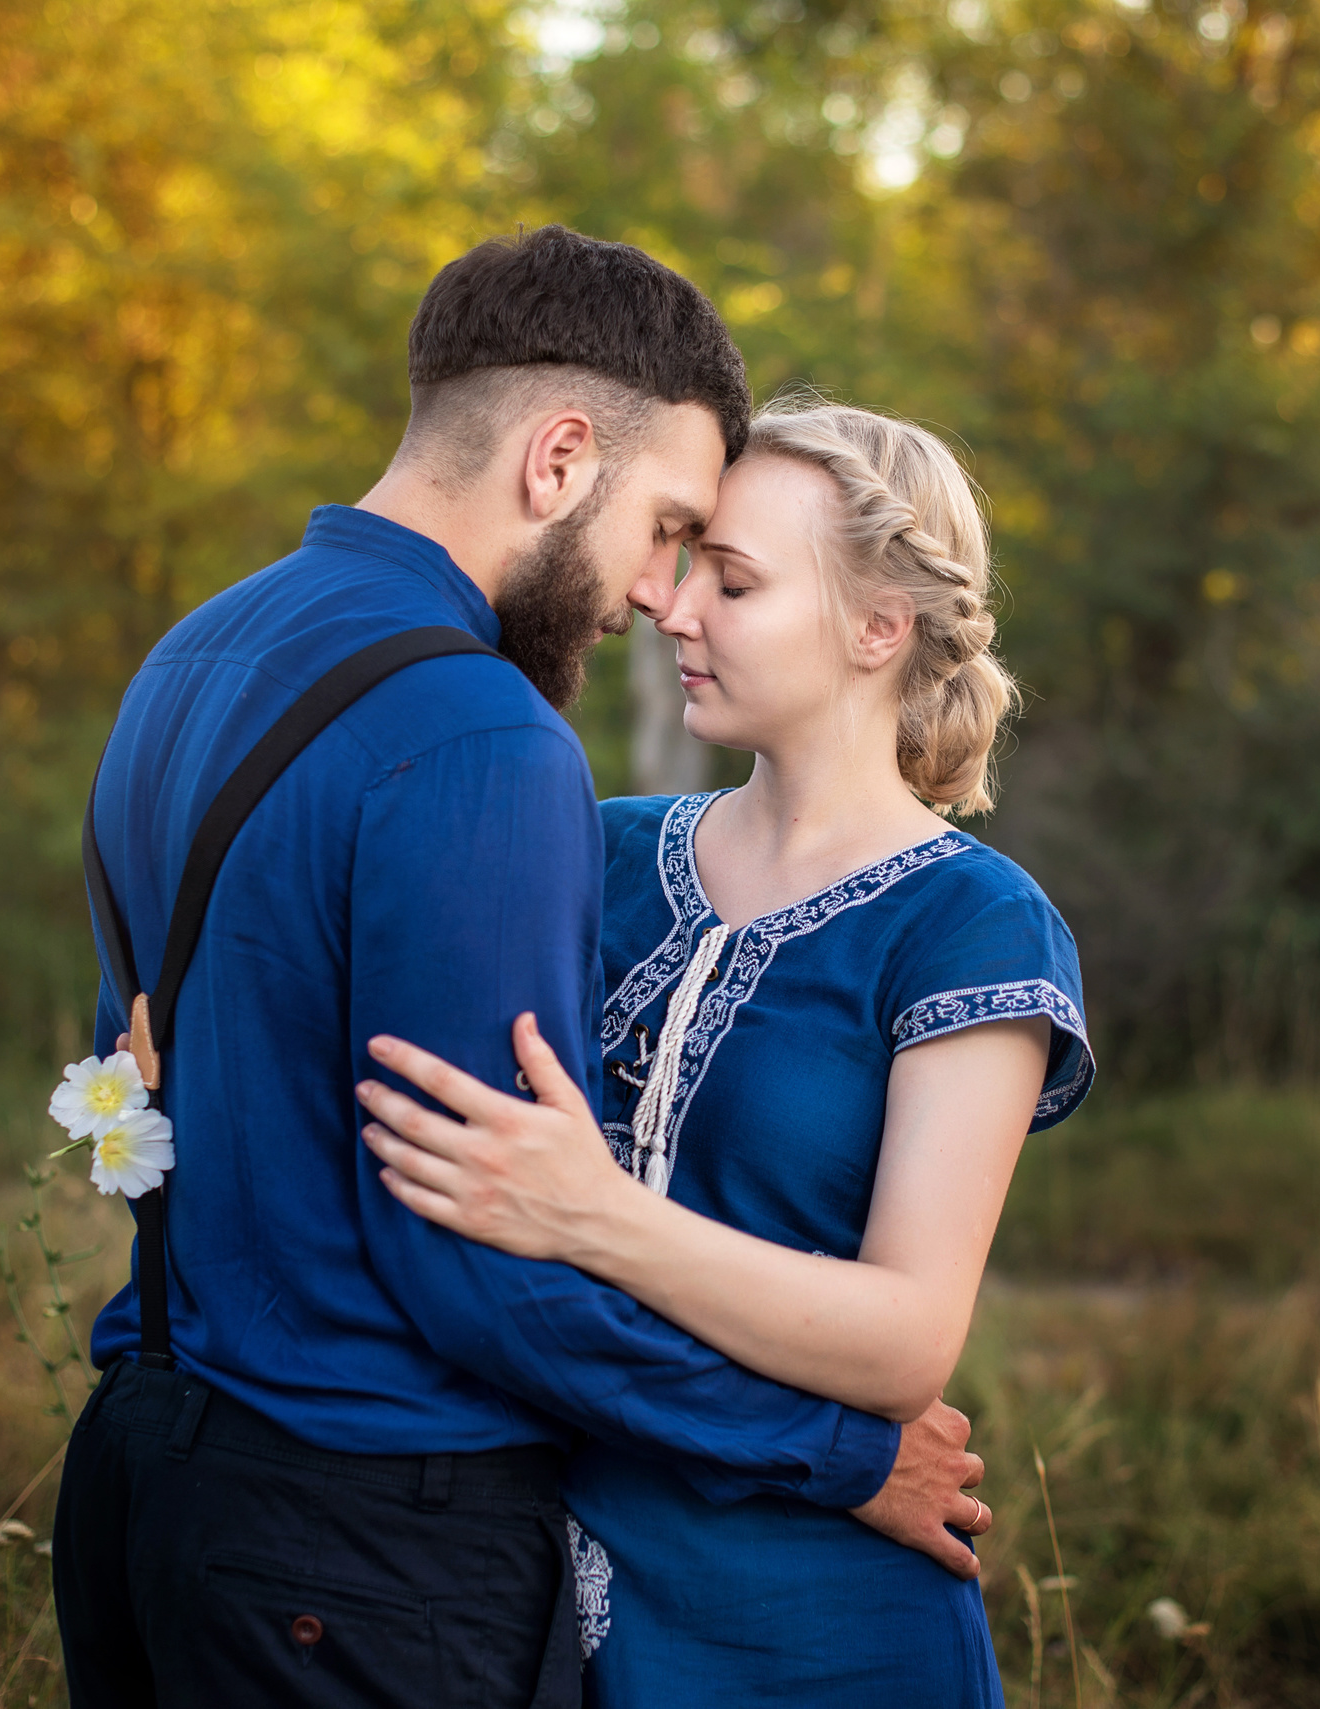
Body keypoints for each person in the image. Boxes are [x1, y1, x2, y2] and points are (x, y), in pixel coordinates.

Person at [49, 230, 990, 1709]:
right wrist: (835, 1448)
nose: (650, 594)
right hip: (360, 1535)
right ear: (559, 459)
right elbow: (479, 1265)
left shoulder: (193, 654)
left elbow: (130, 1076)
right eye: (667, 524)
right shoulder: (481, 730)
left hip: (141, 1473)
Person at [354, 399, 1094, 1704]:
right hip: (533, 1580)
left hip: (819, 1623)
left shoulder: (973, 924)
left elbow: (904, 1341)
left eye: (734, 581)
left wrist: (590, 1213)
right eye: (689, 561)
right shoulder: (603, 848)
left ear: (880, 626)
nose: (676, 609)